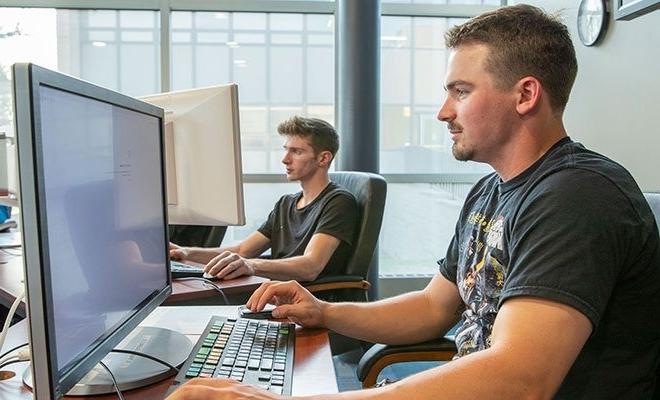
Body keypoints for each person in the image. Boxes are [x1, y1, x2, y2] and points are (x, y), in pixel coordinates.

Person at [166, 4, 660, 400]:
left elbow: (519, 380)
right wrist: (323, 311)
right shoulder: (491, 191)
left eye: (460, 92)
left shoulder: (576, 195)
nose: (444, 111)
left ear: (525, 94)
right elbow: (431, 307)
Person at [170, 116, 358, 282]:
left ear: (323, 158)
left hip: (306, 300)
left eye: (296, 151)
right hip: (273, 293)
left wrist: (252, 265)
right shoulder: (286, 204)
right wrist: (186, 252)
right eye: (286, 150)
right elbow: (243, 251)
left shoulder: (339, 202)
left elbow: (310, 266)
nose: (285, 159)